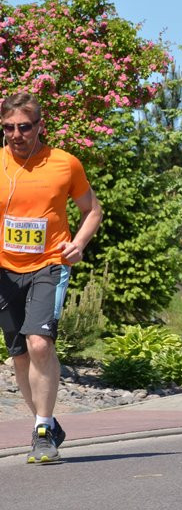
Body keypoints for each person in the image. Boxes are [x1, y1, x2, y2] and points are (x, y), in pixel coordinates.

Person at [0, 93, 103, 464]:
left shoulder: (64, 164)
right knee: (20, 356)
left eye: (24, 127)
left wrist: (78, 244)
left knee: (39, 343)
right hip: (4, 270)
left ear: (40, 126)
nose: (16, 134)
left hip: (50, 264)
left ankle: (42, 431)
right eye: (9, 127)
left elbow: (92, 210)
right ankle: (49, 423)